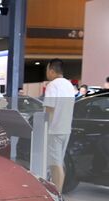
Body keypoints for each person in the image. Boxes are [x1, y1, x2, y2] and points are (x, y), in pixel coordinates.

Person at [43, 58, 75, 192]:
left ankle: (57, 196)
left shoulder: (53, 85)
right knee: (59, 163)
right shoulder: (69, 85)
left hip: (54, 129)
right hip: (66, 129)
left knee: (55, 165)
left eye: (47, 70)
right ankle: (57, 194)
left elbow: (50, 109)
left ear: (51, 70)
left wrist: (45, 127)